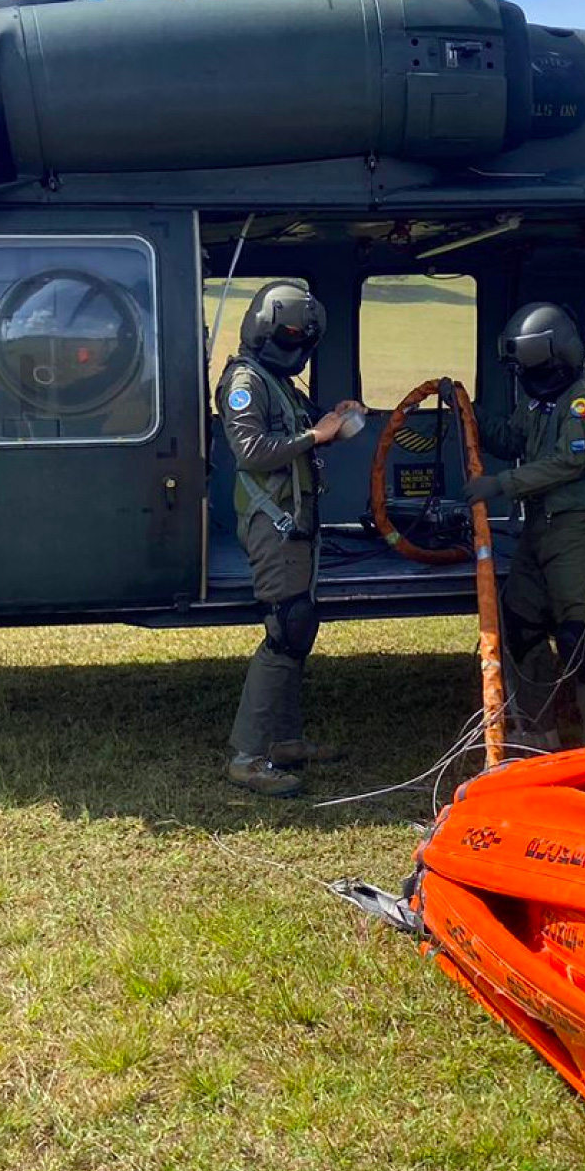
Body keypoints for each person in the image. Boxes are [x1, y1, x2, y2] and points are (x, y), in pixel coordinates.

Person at [218, 280, 364, 798]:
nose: (294, 349)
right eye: (288, 339)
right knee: (285, 629)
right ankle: (247, 757)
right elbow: (252, 450)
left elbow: (300, 429)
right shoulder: (244, 381)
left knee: (299, 628)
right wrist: (316, 435)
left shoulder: (276, 380)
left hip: (294, 520)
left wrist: (332, 419)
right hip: (272, 523)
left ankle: (283, 741)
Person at [466, 302, 585, 748]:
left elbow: (568, 462)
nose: (530, 377)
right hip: (537, 529)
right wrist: (473, 415)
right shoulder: (543, 398)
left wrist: (500, 484)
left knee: (580, 639)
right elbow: (515, 438)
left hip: (575, 529)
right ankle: (538, 733)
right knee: (519, 622)